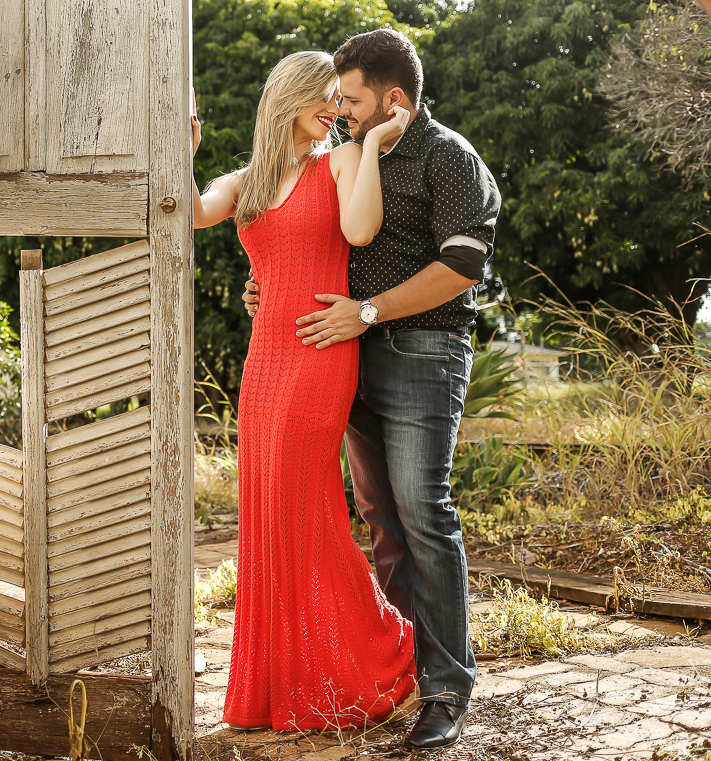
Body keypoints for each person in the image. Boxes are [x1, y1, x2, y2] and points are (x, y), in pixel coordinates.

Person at [243, 30, 501, 750]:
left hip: (422, 351)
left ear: (392, 98)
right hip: (347, 356)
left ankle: (449, 688)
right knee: (382, 516)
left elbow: (462, 268)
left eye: (349, 99)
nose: (340, 111)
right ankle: (399, 675)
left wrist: (368, 311)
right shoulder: (351, 156)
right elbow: (308, 233)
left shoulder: (450, 159)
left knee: (424, 511)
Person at [191, 50, 418, 731]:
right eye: (327, 98)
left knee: (307, 509)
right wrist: (182, 149)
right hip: (265, 361)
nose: (338, 110)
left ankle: (381, 646)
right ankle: (278, 684)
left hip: (322, 348)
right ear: (289, 97)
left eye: (342, 101)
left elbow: (358, 231)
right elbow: (188, 213)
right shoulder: (247, 182)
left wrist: (372, 142)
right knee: (268, 514)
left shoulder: (342, 161)